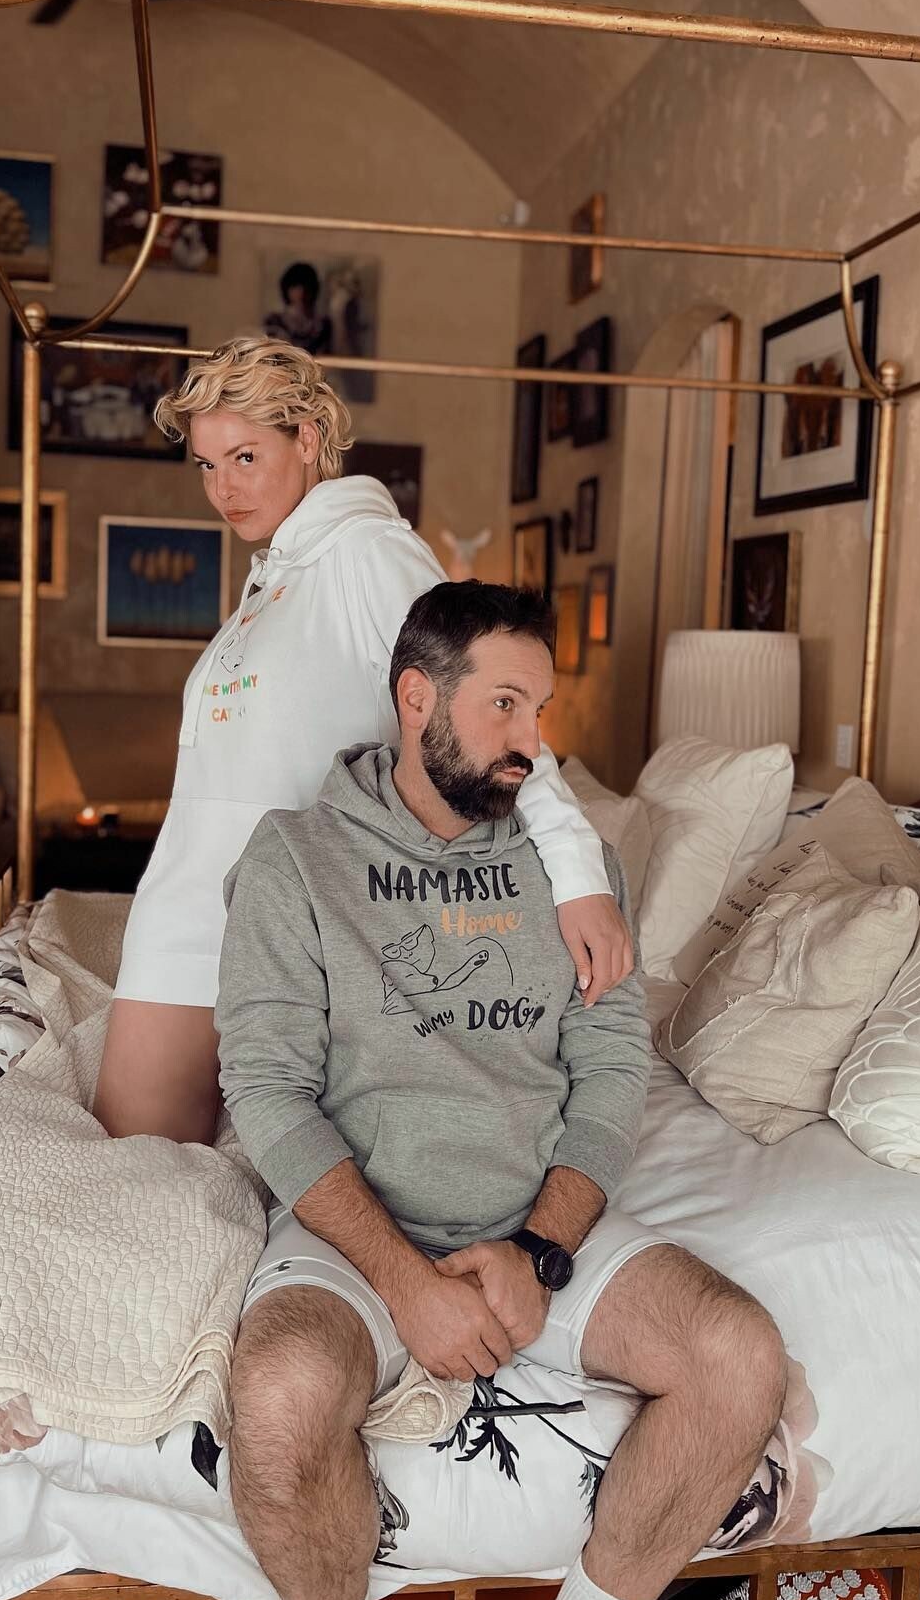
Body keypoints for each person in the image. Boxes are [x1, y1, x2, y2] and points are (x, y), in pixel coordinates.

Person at [216, 582, 788, 1600]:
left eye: (541, 711)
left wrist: (539, 1252)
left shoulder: (576, 870)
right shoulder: (295, 858)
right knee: (282, 1395)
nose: (531, 743)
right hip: (358, 1239)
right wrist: (405, 1284)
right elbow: (266, 1089)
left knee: (740, 1355)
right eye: (504, 706)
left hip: (534, 1224)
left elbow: (613, 1071)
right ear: (417, 700)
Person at [94, 337, 633, 1143]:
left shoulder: (369, 553)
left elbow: (489, 698)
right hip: (188, 914)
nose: (223, 488)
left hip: (288, 923)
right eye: (207, 465)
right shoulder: (277, 573)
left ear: (308, 439)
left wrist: (579, 875)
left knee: (163, 1176)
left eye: (245, 457)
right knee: (140, 1171)